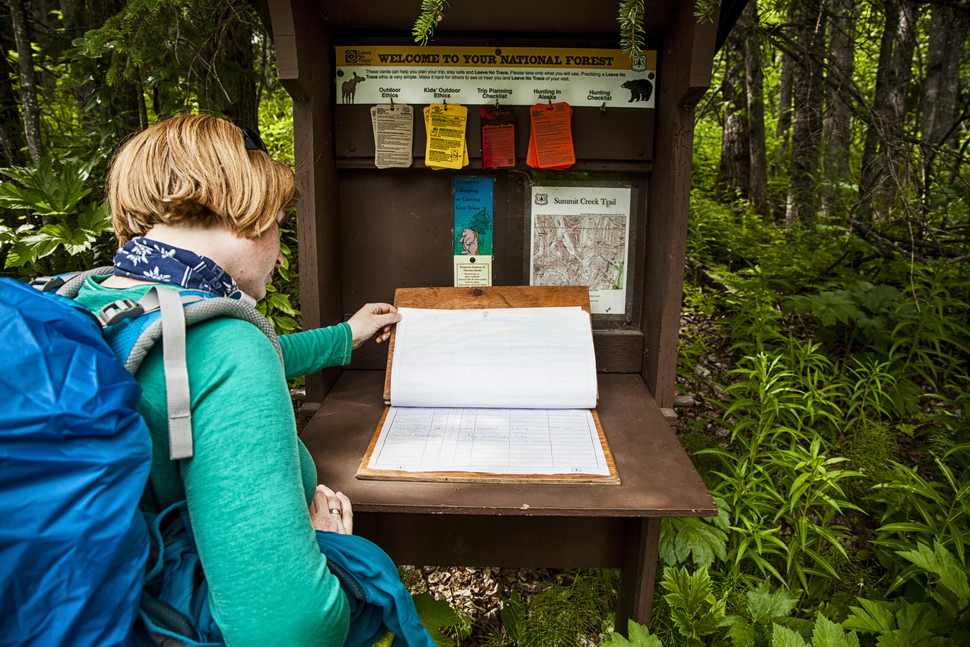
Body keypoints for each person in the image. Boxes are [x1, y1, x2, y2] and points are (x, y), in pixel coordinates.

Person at [73, 114, 401, 646]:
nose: (281, 251)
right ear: (245, 214)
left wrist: (346, 335)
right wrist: (326, 553)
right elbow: (292, 628)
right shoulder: (224, 346)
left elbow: (206, 370)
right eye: (278, 225)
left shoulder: (104, 300)